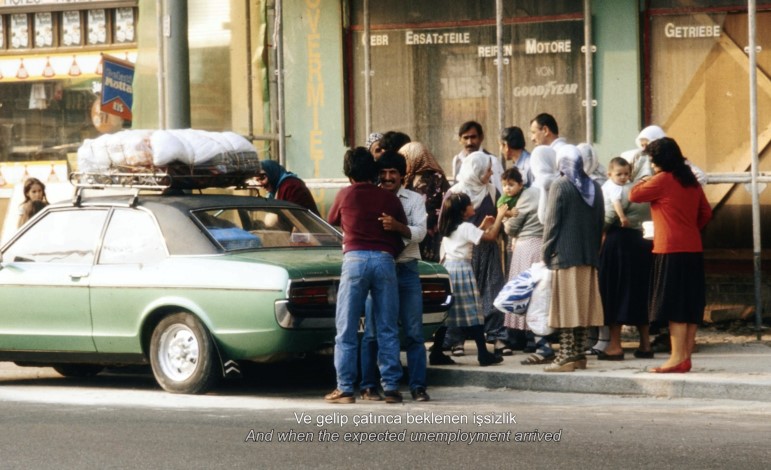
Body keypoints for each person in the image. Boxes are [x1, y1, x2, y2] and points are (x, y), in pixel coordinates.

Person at [324, 147, 408, 404]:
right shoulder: (389, 198)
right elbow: (402, 231)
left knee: (347, 328)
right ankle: (392, 386)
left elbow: (332, 219)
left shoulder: (344, 195)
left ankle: (345, 388)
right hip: (384, 261)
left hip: (355, 260)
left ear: (349, 173)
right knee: (387, 327)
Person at [629, 137, 712, 373]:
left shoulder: (663, 180)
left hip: (669, 248)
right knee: (690, 303)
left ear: (661, 160)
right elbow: (706, 213)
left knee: (674, 304)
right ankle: (686, 356)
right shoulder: (691, 181)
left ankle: (676, 358)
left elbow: (634, 195)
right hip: (693, 247)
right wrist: (689, 228)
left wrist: (647, 178)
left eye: (653, 161)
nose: (652, 165)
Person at [359, 150, 430, 402]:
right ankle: (368, 385)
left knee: (413, 331)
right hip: (378, 270)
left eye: (393, 173)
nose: (388, 178)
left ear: (403, 175)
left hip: (407, 269)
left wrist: (398, 227)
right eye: (384, 173)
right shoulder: (370, 198)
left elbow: (420, 233)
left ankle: (418, 386)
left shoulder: (413, 200)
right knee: (372, 332)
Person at [541, 145, 605, 372]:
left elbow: (552, 223)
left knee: (568, 307)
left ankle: (566, 357)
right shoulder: (594, 187)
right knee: (582, 306)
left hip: (566, 256)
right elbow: (600, 223)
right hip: (589, 256)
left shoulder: (560, 185)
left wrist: (546, 252)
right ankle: (578, 355)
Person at [430, 191, 506, 366]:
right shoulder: (466, 227)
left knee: (446, 313)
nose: (473, 206)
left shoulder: (451, 227)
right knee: (473, 312)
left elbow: (466, 238)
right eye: (470, 204)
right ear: (463, 211)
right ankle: (483, 354)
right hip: (462, 270)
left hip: (449, 269)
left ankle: (436, 351)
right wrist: (500, 216)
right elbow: (491, 237)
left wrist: (481, 226)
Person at [444, 151, 509, 356]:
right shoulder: (455, 193)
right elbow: (445, 225)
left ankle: (497, 336)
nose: (491, 173)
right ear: (475, 171)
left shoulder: (491, 191)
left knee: (494, 290)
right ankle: (457, 340)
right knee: (461, 298)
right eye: (487, 170)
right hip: (463, 254)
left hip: (487, 251)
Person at [502, 147, 558, 364]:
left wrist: (504, 219)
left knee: (525, 294)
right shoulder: (558, 185)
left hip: (527, 246)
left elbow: (512, 228)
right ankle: (539, 337)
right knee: (541, 294)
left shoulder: (530, 193)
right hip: (547, 246)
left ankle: (530, 338)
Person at [597, 157, 655, 361]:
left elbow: (609, 217)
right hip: (642, 243)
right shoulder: (641, 191)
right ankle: (645, 343)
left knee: (615, 291)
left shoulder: (615, 190)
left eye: (625, 173)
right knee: (640, 292)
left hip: (619, 244)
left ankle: (614, 345)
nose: (622, 177)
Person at [400, 141, 450, 262]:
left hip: (431, 234)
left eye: (405, 158)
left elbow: (445, 205)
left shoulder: (436, 178)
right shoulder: (407, 178)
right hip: (411, 235)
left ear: (416, 158)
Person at [451, 121, 504, 193]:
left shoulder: (491, 160)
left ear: (481, 137)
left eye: (473, 137)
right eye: (465, 138)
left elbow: (499, 190)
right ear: (460, 140)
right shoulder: (457, 160)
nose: (469, 142)